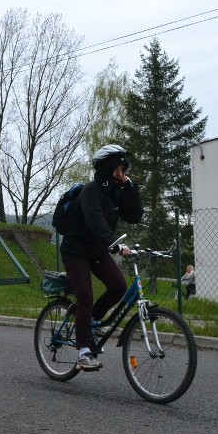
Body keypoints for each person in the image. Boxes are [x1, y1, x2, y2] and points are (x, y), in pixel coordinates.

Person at [60, 144, 144, 371]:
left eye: (123, 170)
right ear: (106, 169)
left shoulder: (115, 193)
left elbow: (134, 216)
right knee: (85, 297)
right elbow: (95, 222)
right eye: (118, 170)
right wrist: (115, 245)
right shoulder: (91, 191)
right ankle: (83, 353)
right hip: (75, 251)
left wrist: (130, 187)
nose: (121, 174)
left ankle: (91, 323)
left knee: (118, 286)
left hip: (97, 250)